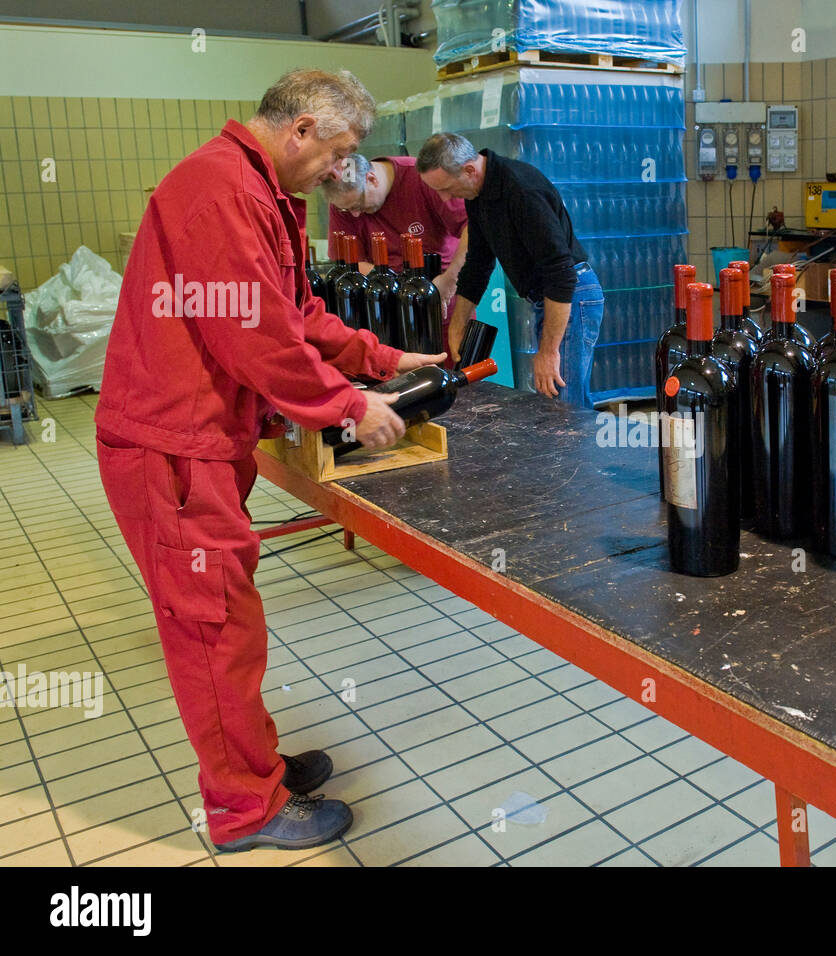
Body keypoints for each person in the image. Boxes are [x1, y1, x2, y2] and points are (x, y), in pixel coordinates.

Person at [93, 69, 445, 853]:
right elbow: (256, 336)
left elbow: (296, 312)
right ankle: (242, 810)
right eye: (341, 154)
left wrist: (381, 357)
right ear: (303, 131)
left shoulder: (257, 188)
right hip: (171, 451)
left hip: (199, 444)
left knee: (233, 621)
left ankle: (256, 766)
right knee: (212, 629)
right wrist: (350, 406)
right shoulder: (220, 194)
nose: (343, 174)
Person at [416, 132, 605, 409]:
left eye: (446, 188)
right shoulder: (476, 194)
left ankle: (573, 448)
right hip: (549, 296)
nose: (445, 199)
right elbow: (478, 262)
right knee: (563, 402)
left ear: (470, 169)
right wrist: (458, 324)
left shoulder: (522, 191)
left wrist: (549, 351)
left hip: (572, 295)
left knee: (561, 405)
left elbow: (560, 272)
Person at [322, 153, 469, 349]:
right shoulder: (344, 203)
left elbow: (472, 228)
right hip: (389, 310)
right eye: (347, 210)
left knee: (452, 369)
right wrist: (392, 287)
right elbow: (350, 261)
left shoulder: (423, 178)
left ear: (371, 179)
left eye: (358, 205)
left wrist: (450, 279)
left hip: (440, 297)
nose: (355, 215)